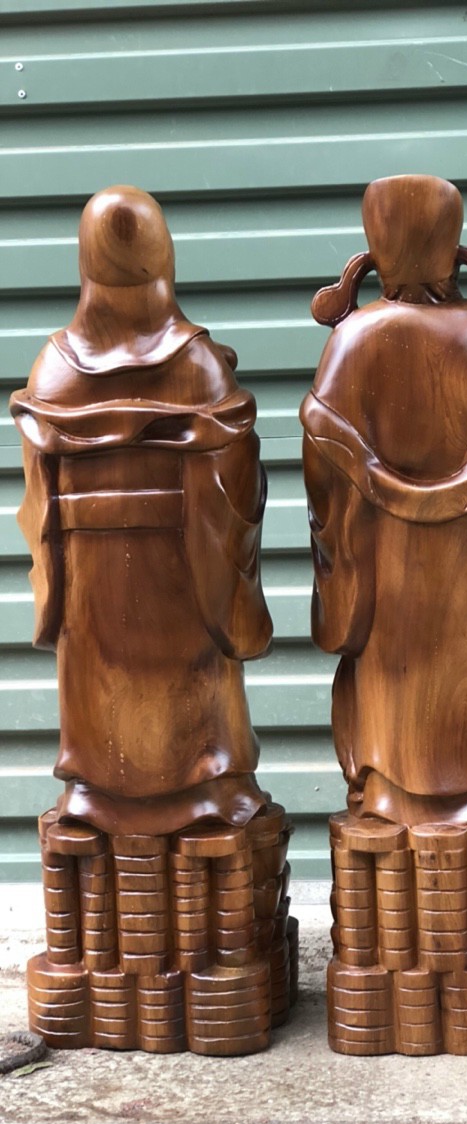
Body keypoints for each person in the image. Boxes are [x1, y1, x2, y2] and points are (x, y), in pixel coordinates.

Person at [11, 186, 272, 835]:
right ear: (164, 259)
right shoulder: (198, 365)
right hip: (183, 568)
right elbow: (233, 488)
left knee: (98, 684)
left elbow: (39, 485)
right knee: (193, 698)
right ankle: (206, 780)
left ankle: (98, 788)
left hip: (91, 582)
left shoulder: (54, 370)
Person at [302, 174, 467, 825]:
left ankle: (383, 783)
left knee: (391, 686)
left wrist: (340, 540)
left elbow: (322, 476)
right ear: (452, 241)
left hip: (385, 572)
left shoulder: (351, 339)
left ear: (375, 243)